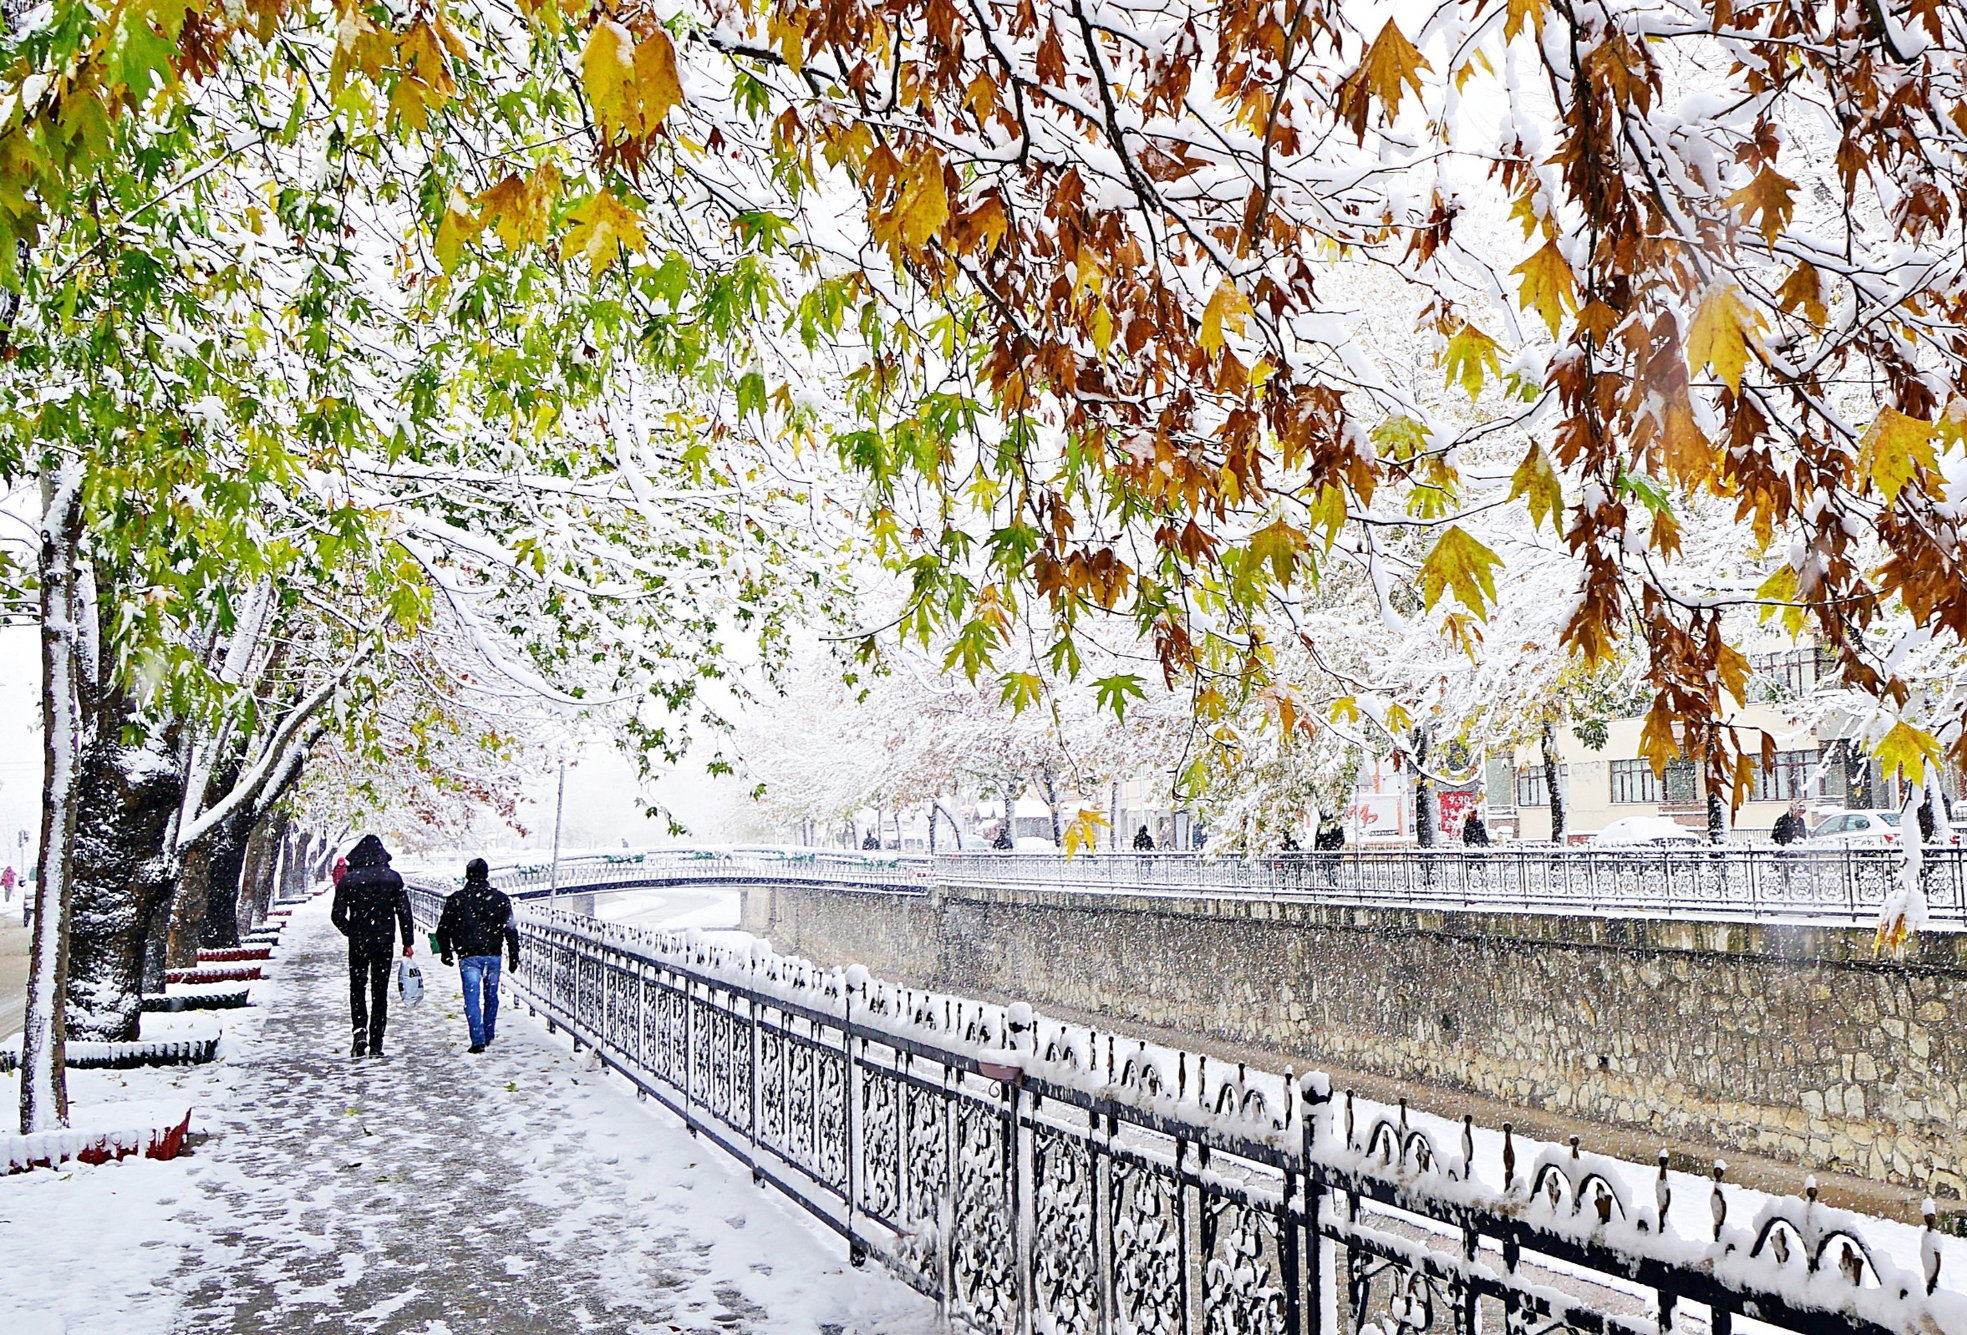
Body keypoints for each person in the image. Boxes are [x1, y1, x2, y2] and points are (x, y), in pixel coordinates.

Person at [330, 835, 414, 1058]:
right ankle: (377, 1043)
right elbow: (404, 912)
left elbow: (337, 915)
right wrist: (408, 942)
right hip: (384, 941)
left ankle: (359, 1031)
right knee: (380, 990)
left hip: (359, 941)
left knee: (357, 986)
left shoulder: (349, 880)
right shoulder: (392, 878)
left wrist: (352, 931)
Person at [435, 858, 520, 1053]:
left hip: (468, 955)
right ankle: (488, 1033)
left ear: (467, 875)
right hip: (493, 954)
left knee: (471, 999)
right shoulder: (500, 898)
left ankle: (477, 1039)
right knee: (491, 995)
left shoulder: (457, 899)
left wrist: (446, 952)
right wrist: (513, 955)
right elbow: (510, 929)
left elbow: (443, 929)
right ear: (486, 875)